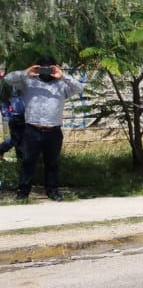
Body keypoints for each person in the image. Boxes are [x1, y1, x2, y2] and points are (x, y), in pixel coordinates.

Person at [3, 56, 83, 201]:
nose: (46, 71)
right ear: (37, 67)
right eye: (42, 67)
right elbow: (8, 78)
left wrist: (63, 76)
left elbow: (79, 87)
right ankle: (23, 193)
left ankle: (52, 191)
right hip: (32, 129)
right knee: (28, 161)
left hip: (53, 130)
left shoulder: (62, 85)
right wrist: (26, 72)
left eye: (49, 67)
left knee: (52, 162)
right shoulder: (28, 82)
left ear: (56, 67)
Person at [0, 90, 25, 162]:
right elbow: (3, 102)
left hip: (31, 117)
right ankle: (21, 162)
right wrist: (9, 116)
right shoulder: (9, 85)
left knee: (16, 138)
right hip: (16, 117)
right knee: (17, 140)